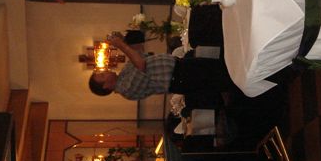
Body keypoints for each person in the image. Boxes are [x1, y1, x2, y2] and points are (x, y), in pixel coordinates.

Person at [88, 32, 234, 100]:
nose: (105, 70)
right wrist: (120, 45)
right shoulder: (125, 89)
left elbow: (139, 53)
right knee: (223, 77)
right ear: (106, 86)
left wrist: (123, 40)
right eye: (102, 75)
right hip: (180, 78)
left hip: (180, 66)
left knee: (220, 65)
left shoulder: (123, 74)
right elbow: (141, 65)